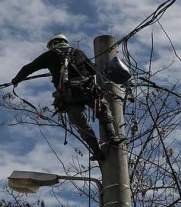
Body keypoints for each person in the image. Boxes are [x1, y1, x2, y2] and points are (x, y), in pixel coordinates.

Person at [11, 33, 121, 161]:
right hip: (87, 90)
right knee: (103, 110)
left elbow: (28, 68)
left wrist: (16, 80)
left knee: (82, 126)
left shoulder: (49, 55)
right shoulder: (77, 52)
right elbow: (92, 70)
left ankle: (97, 152)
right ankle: (113, 137)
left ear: (52, 44)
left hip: (68, 96)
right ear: (65, 42)